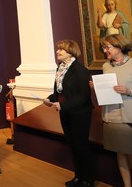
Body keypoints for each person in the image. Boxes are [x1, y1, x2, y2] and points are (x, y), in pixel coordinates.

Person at [43, 40, 94, 187]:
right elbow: (60, 91)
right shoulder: (60, 68)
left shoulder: (79, 69)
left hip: (80, 112)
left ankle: (88, 180)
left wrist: (63, 104)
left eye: (61, 49)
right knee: (72, 145)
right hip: (66, 111)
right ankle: (78, 177)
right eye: (58, 49)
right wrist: (49, 99)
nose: (57, 51)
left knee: (81, 145)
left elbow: (84, 95)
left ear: (70, 52)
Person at [99, 34, 132, 187]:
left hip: (129, 116)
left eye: (107, 47)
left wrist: (128, 90)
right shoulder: (106, 66)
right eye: (104, 47)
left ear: (119, 46)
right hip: (111, 115)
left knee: (130, 152)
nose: (105, 50)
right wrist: (98, 87)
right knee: (120, 152)